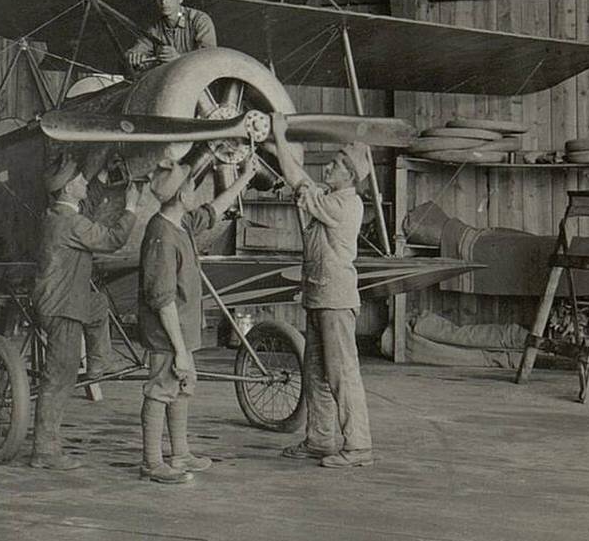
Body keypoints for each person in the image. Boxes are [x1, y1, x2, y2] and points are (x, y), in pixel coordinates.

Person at [136, 156, 257, 483]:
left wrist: (244, 178)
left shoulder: (181, 223)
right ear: (181, 196)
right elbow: (161, 301)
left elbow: (215, 209)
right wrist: (179, 350)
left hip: (182, 331)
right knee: (161, 390)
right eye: (191, 185)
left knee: (182, 387)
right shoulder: (161, 235)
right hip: (167, 335)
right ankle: (151, 461)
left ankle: (180, 453)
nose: (195, 189)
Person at [269, 117, 375, 468]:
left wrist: (279, 133)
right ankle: (320, 439)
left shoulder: (345, 205)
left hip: (335, 300)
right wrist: (271, 143)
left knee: (340, 372)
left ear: (350, 176)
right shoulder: (328, 198)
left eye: (335, 165)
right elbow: (297, 178)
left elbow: (297, 179)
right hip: (317, 296)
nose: (327, 167)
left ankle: (358, 446)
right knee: (315, 371)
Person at [30, 152, 142, 470]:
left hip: (65, 299)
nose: (84, 182)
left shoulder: (57, 215)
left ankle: (98, 363)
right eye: (79, 179)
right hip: (62, 307)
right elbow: (112, 239)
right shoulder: (68, 222)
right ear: (67, 189)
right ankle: (45, 451)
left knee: (98, 305)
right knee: (59, 379)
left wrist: (105, 180)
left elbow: (87, 212)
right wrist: (131, 205)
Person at [124, 0, 217, 73]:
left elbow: (209, 58)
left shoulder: (200, 20)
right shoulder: (155, 29)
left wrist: (179, 58)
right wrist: (134, 56)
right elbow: (135, 50)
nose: (164, 2)